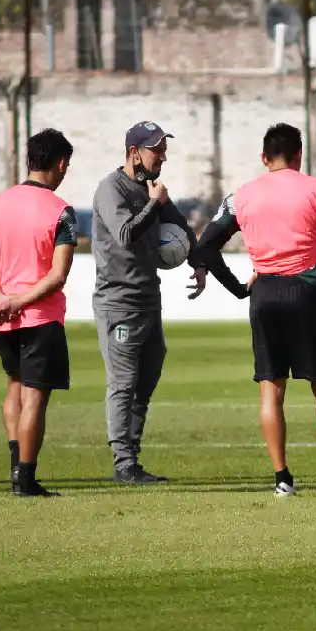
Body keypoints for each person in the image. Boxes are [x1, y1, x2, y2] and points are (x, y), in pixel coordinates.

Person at [197, 123, 316, 498]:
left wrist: (239, 288)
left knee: (271, 391)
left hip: (265, 294)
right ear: (299, 155)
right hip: (307, 294)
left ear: (263, 158)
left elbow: (205, 246)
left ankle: (282, 480)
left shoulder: (240, 196)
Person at [91, 120, 215, 485]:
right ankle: (123, 463)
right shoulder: (110, 189)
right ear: (134, 152)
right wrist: (154, 203)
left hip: (148, 299)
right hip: (119, 302)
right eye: (156, 150)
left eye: (163, 150)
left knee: (146, 379)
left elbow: (178, 223)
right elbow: (127, 235)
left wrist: (197, 261)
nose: (162, 157)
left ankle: (132, 458)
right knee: (123, 383)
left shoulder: (151, 188)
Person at [0, 129, 77, 498]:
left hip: (4, 318)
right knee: (34, 398)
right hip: (40, 318)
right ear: (60, 163)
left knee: (14, 387)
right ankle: (27, 479)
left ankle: (16, 468)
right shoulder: (61, 212)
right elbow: (57, 275)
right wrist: (18, 303)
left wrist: (0, 298)